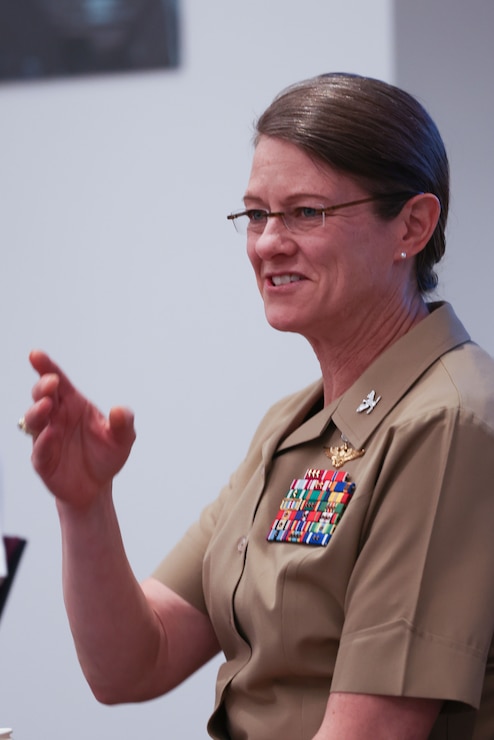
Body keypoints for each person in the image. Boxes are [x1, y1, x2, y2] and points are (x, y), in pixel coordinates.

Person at [19, 73, 494, 739]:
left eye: (306, 212)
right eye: (256, 214)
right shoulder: (293, 424)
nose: (268, 242)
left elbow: (375, 733)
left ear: (412, 225)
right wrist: (85, 502)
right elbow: (133, 663)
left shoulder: (446, 423)